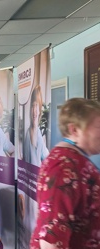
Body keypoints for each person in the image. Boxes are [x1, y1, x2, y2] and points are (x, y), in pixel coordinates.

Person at [30, 98, 100, 249]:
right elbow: (51, 238)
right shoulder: (64, 166)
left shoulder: (75, 161)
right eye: (98, 127)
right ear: (74, 130)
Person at [23, 85, 49, 165]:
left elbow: (46, 157)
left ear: (40, 109)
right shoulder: (27, 132)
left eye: (37, 105)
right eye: (32, 106)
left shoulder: (39, 134)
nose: (34, 110)